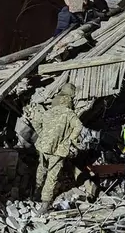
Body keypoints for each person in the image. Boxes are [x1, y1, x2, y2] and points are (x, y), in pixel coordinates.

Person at [32, 83, 83, 214]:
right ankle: (45, 204)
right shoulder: (69, 114)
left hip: (43, 146)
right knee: (52, 176)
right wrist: (70, 139)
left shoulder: (49, 111)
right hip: (58, 149)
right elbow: (79, 126)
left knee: (41, 169)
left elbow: (36, 122)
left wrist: (42, 134)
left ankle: (36, 193)